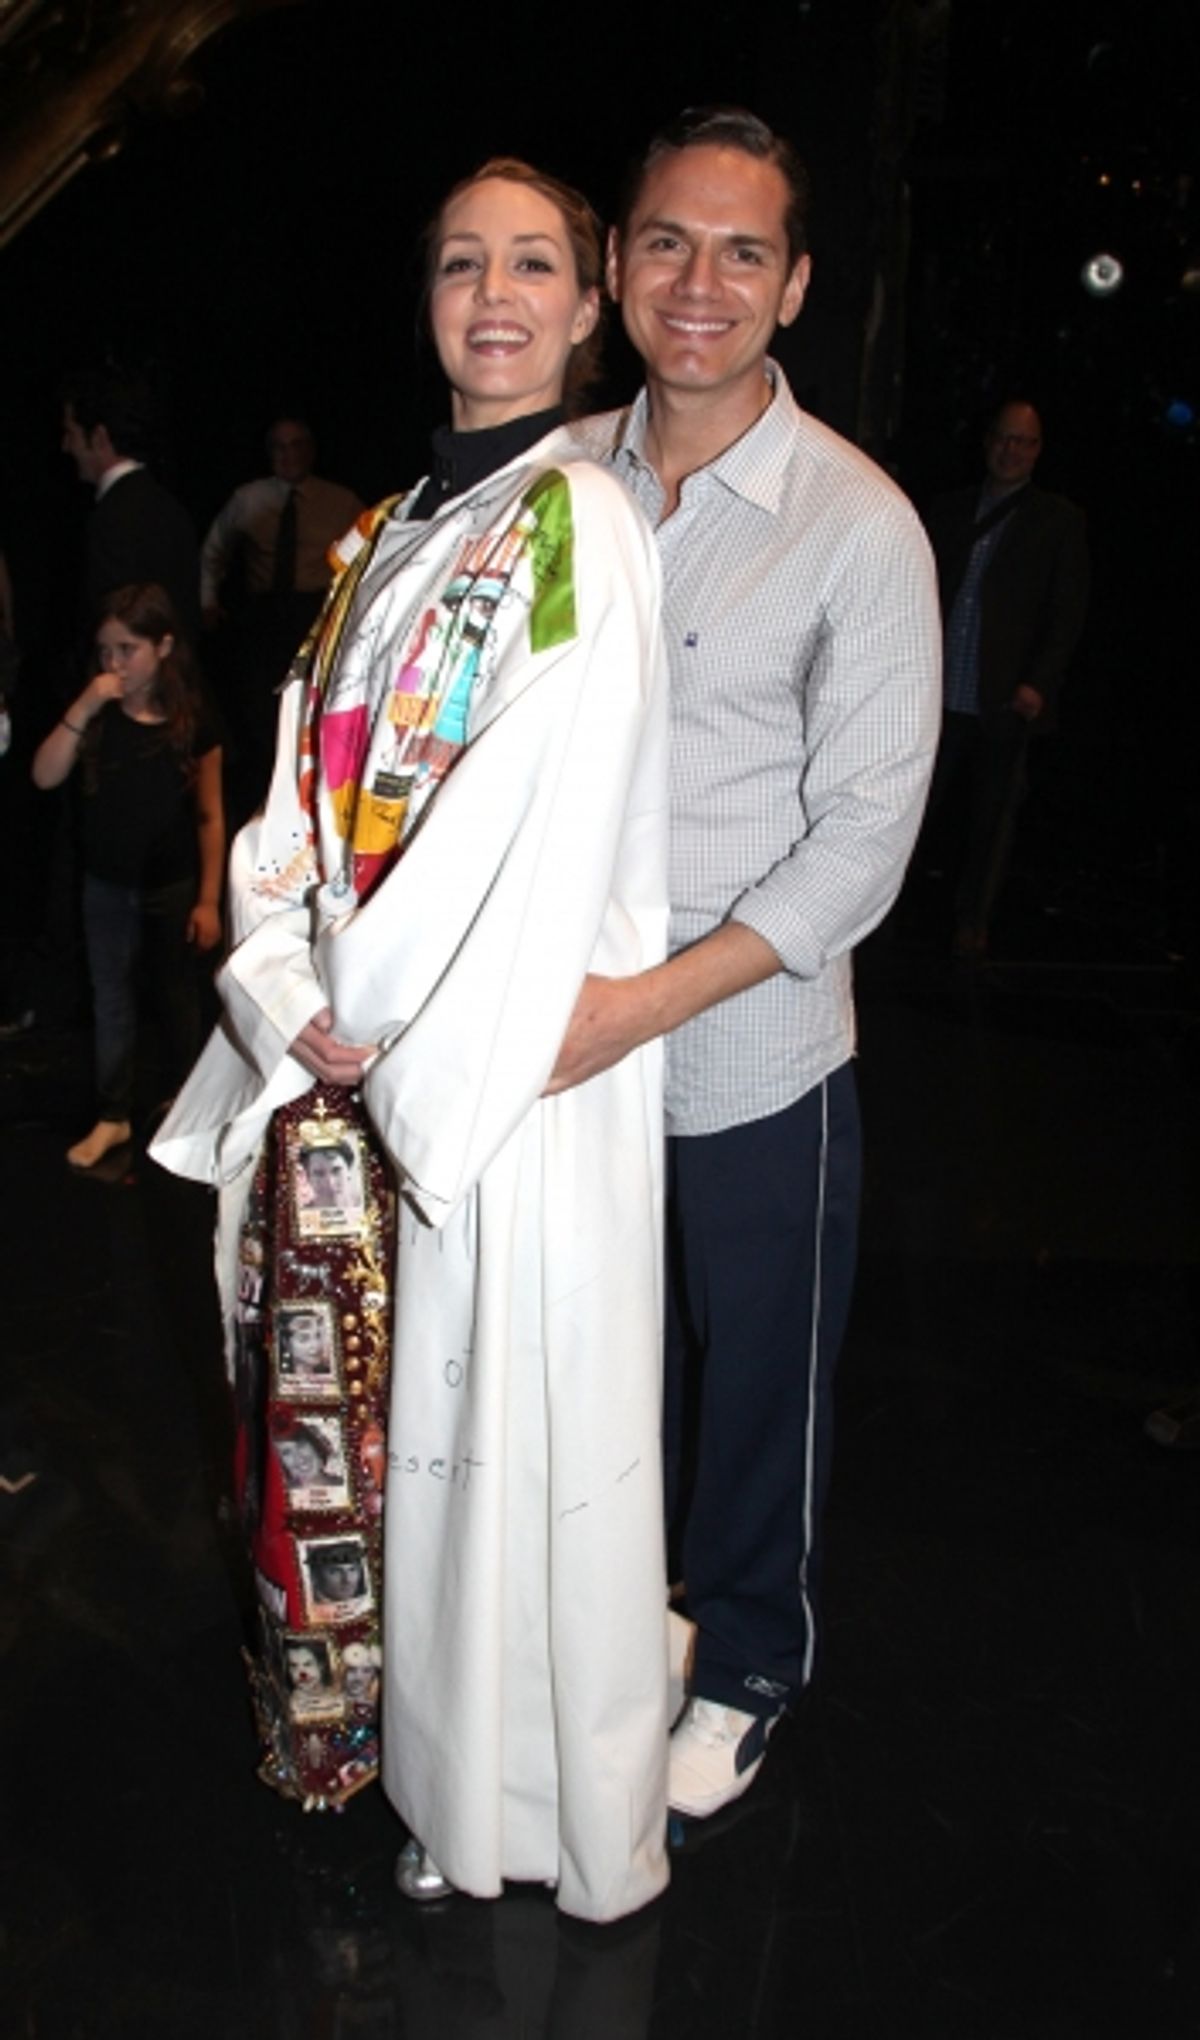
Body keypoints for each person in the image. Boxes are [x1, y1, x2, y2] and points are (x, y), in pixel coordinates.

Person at [152, 158, 670, 1921]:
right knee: (352, 1449)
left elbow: (532, 815)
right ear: (428, 298)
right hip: (348, 1055)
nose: (495, 296)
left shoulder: (576, 523)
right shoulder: (386, 533)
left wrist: (361, 1011)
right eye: (463, 263)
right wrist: (284, 982)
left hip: (480, 1079)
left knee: (476, 1459)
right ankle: (379, 1748)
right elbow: (299, 784)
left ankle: (493, 1797)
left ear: (592, 305)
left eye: (534, 265)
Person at [558, 108, 941, 1819]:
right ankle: (623, 1619)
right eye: (665, 241)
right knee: (603, 1370)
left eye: (741, 251)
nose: (697, 281)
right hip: (563, 1052)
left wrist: (643, 1005)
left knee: (759, 1392)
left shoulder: (857, 523)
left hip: (749, 1059)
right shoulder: (559, 479)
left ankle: (751, 1663)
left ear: (791, 286)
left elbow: (861, 848)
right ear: (616, 265)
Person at [32, 583, 223, 1168]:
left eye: (127, 649)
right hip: (107, 885)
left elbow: (210, 815)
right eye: (105, 651)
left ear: (163, 647)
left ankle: (182, 1110)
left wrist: (209, 899)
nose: (114, 664)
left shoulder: (190, 719)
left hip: (171, 884)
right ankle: (113, 1115)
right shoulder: (96, 716)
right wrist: (84, 706)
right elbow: (43, 776)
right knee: (111, 997)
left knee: (176, 996)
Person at [921, 398, 1089, 956]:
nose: (1010, 450)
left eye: (1023, 441)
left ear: (1038, 451)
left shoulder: (1056, 521)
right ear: (987, 440)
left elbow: (1065, 612)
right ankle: (888, 913)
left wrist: (1039, 682)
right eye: (1003, 438)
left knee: (992, 821)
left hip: (1003, 696)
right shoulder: (949, 510)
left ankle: (973, 922)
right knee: (915, 807)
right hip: (939, 691)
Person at [61, 369, 202, 647]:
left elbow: (117, 630)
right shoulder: (170, 508)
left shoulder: (111, 520)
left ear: (99, 438)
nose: (66, 446)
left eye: (70, 433)